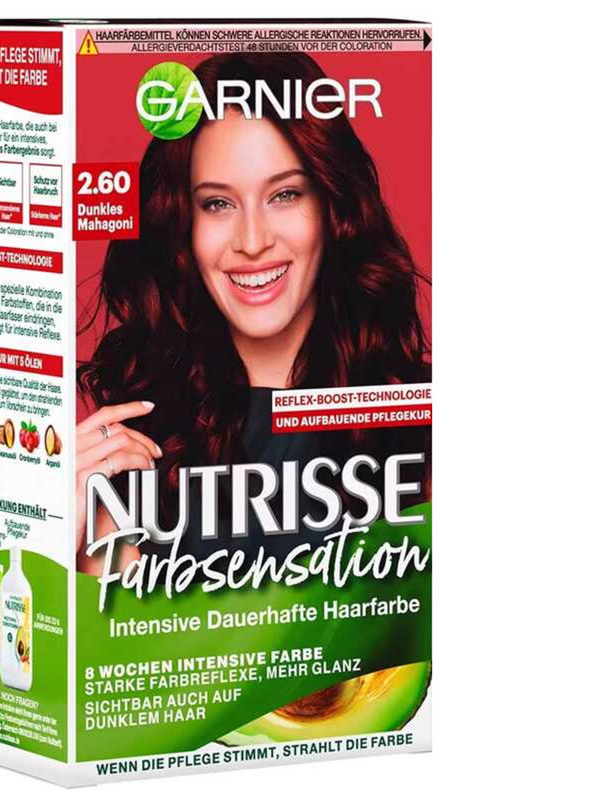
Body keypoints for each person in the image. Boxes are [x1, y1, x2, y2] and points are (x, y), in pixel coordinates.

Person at [76, 52, 431, 575]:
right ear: (184, 226)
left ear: (332, 208)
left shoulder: (420, 425)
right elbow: (106, 626)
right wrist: (49, 528)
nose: (252, 241)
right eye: (217, 203)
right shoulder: (140, 454)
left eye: (284, 194)